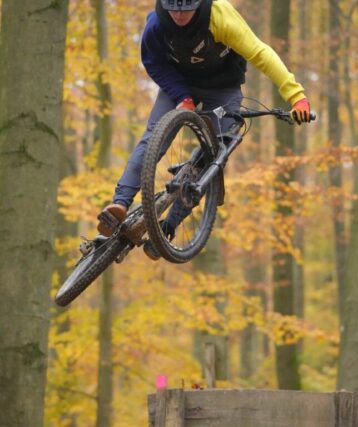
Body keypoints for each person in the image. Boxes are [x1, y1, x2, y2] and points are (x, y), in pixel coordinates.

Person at [97, 0, 312, 260]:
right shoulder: (157, 24)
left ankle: (168, 226)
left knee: (217, 153)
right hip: (178, 84)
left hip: (223, 88)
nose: (178, 15)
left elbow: (260, 53)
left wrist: (296, 97)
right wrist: (181, 95)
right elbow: (152, 62)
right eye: (173, 9)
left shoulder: (220, 17)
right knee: (154, 137)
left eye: (185, 9)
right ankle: (119, 204)